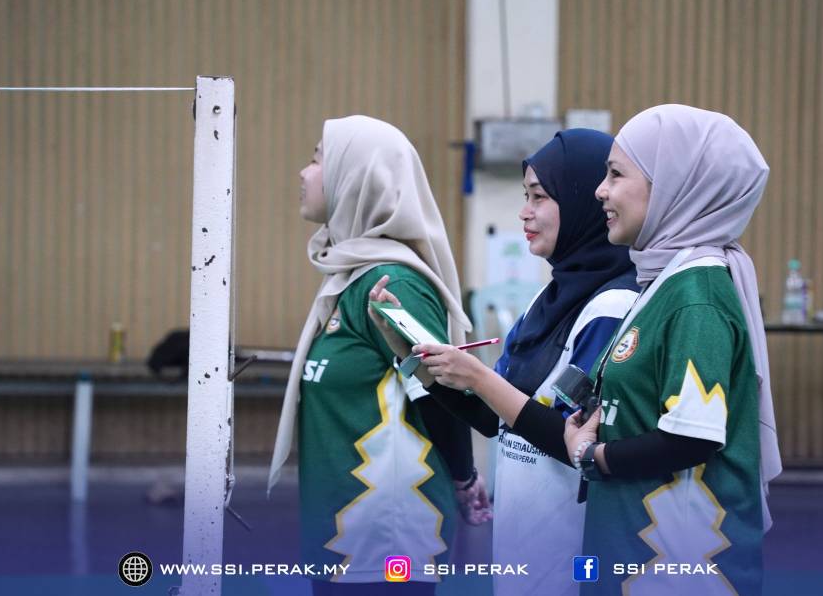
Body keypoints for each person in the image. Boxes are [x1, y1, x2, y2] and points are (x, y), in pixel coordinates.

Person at [370, 129, 638, 596]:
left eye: (539, 197)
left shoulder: (612, 307)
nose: (524, 212)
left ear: (584, 202)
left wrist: (477, 376)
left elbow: (574, 442)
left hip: (573, 552)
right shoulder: (546, 300)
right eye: (524, 196)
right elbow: (496, 420)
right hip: (524, 545)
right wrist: (409, 352)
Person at [564, 104, 782, 595]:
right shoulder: (664, 281)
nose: (601, 190)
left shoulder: (696, 296)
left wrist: (592, 455)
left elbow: (692, 438)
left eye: (616, 174)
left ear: (674, 185)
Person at [268, 115, 489, 594]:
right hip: (345, 536)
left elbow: (442, 390)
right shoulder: (350, 278)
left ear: (356, 177)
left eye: (317, 160)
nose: (304, 172)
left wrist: (465, 477)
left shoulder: (393, 283)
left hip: (385, 541)